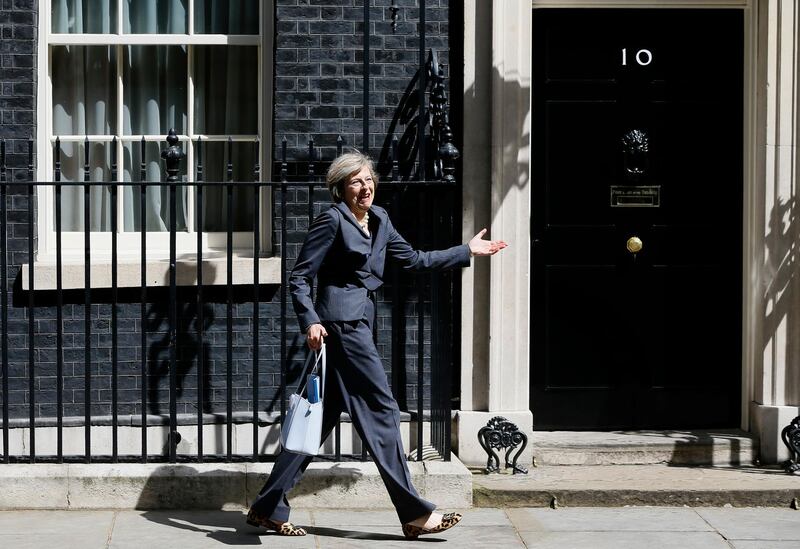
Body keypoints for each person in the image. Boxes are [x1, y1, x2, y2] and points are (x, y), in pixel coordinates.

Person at [246, 152, 507, 539]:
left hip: (360, 323)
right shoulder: (331, 220)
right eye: (355, 181)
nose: (365, 187)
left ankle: (267, 508)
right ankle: (414, 512)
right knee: (383, 410)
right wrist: (310, 320)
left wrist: (466, 251)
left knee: (320, 416)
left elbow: (416, 260)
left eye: (368, 179)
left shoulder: (381, 219)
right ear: (341, 188)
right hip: (340, 325)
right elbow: (300, 277)